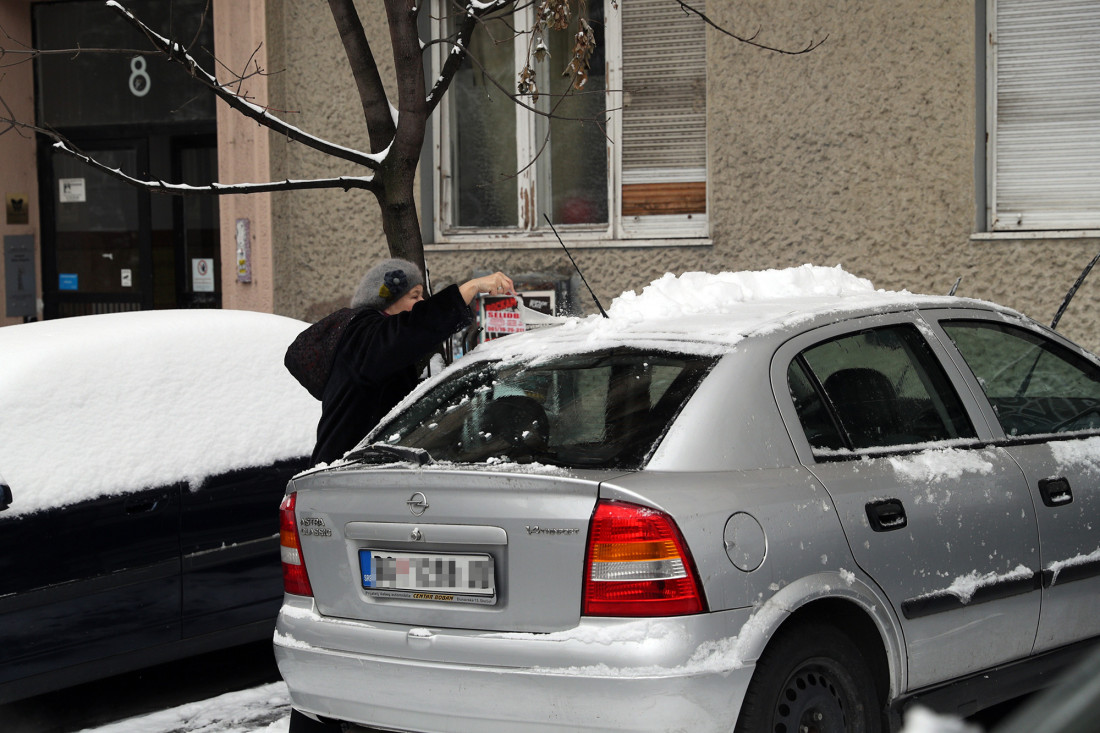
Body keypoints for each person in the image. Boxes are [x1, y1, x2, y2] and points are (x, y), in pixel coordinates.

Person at [285, 257, 514, 465]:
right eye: (415, 296)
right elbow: (415, 328)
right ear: (386, 300)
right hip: (345, 475)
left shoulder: (373, 342)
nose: (421, 302)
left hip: (358, 472)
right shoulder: (364, 335)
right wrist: (470, 287)